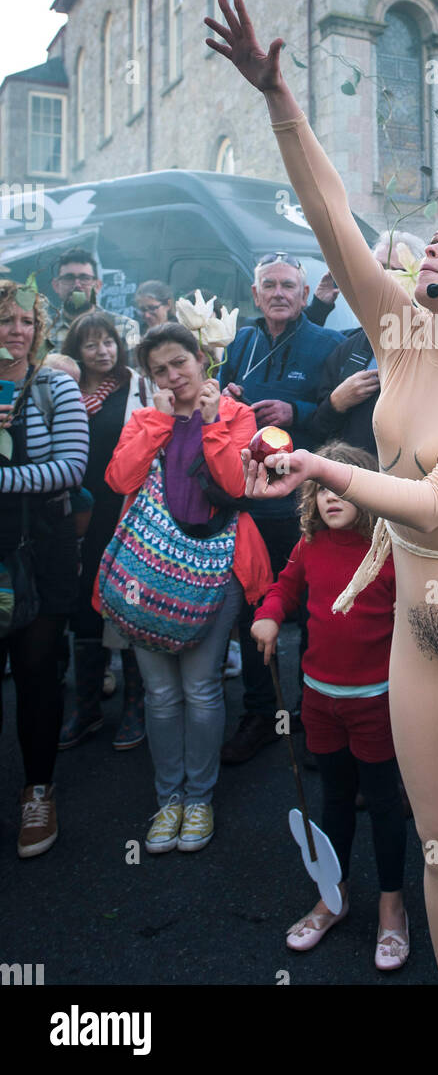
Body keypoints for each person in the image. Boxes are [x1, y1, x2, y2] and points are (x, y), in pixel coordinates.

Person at [206, 0, 438, 985]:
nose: (433, 249)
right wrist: (280, 95)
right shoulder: (399, 331)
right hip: (418, 624)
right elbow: (331, 210)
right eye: (434, 239)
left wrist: (324, 464)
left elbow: (437, 499)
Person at [105, 321, 272, 854]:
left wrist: (212, 421)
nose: (173, 376)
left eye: (180, 363)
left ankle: (198, 798)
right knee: (160, 693)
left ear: (202, 360)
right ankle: (167, 799)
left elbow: (233, 484)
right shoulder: (145, 419)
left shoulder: (237, 414)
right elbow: (119, 480)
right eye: (160, 370)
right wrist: (157, 422)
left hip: (215, 570)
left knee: (200, 689)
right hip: (149, 575)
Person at [252, 442, 409, 969]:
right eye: (318, 488)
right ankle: (333, 896)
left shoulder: (389, 548)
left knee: (385, 804)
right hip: (319, 700)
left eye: (338, 485)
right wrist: (269, 613)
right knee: (335, 800)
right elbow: (285, 587)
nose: (327, 497)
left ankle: (393, 907)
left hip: (376, 702)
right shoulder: (309, 544)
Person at [217, 253, 342, 765]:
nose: (278, 293)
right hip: (248, 504)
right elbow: (217, 409)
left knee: (315, 612)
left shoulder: (328, 344)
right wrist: (222, 398)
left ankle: (315, 718)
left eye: (288, 285)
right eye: (268, 285)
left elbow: (344, 417)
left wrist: (300, 412)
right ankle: (261, 714)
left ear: (305, 291)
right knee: (255, 612)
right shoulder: (238, 342)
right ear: (255, 294)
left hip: (303, 504)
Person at [0, 278, 89, 857]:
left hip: (40, 550)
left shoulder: (55, 385)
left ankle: (38, 791)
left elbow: (71, 468)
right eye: (5, 321)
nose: (16, 332)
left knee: (36, 674)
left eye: (26, 322)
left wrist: (3, 480)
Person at [58, 312, 152, 751]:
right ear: (75, 352)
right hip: (77, 513)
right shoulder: (64, 390)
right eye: (91, 344)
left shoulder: (136, 385)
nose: (103, 351)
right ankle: (88, 706)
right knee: (83, 606)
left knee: (125, 601)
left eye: (109, 342)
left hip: (124, 510)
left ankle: (135, 705)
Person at [307, 231, 427, 458]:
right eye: (376, 267)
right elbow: (317, 430)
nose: (382, 276)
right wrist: (336, 402)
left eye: (396, 270)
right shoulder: (348, 348)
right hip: (350, 484)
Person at [48, 249, 140, 352]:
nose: (77, 285)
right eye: (69, 278)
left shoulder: (126, 328)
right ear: (56, 286)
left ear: (97, 286)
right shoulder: (42, 330)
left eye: (85, 278)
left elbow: (132, 368)